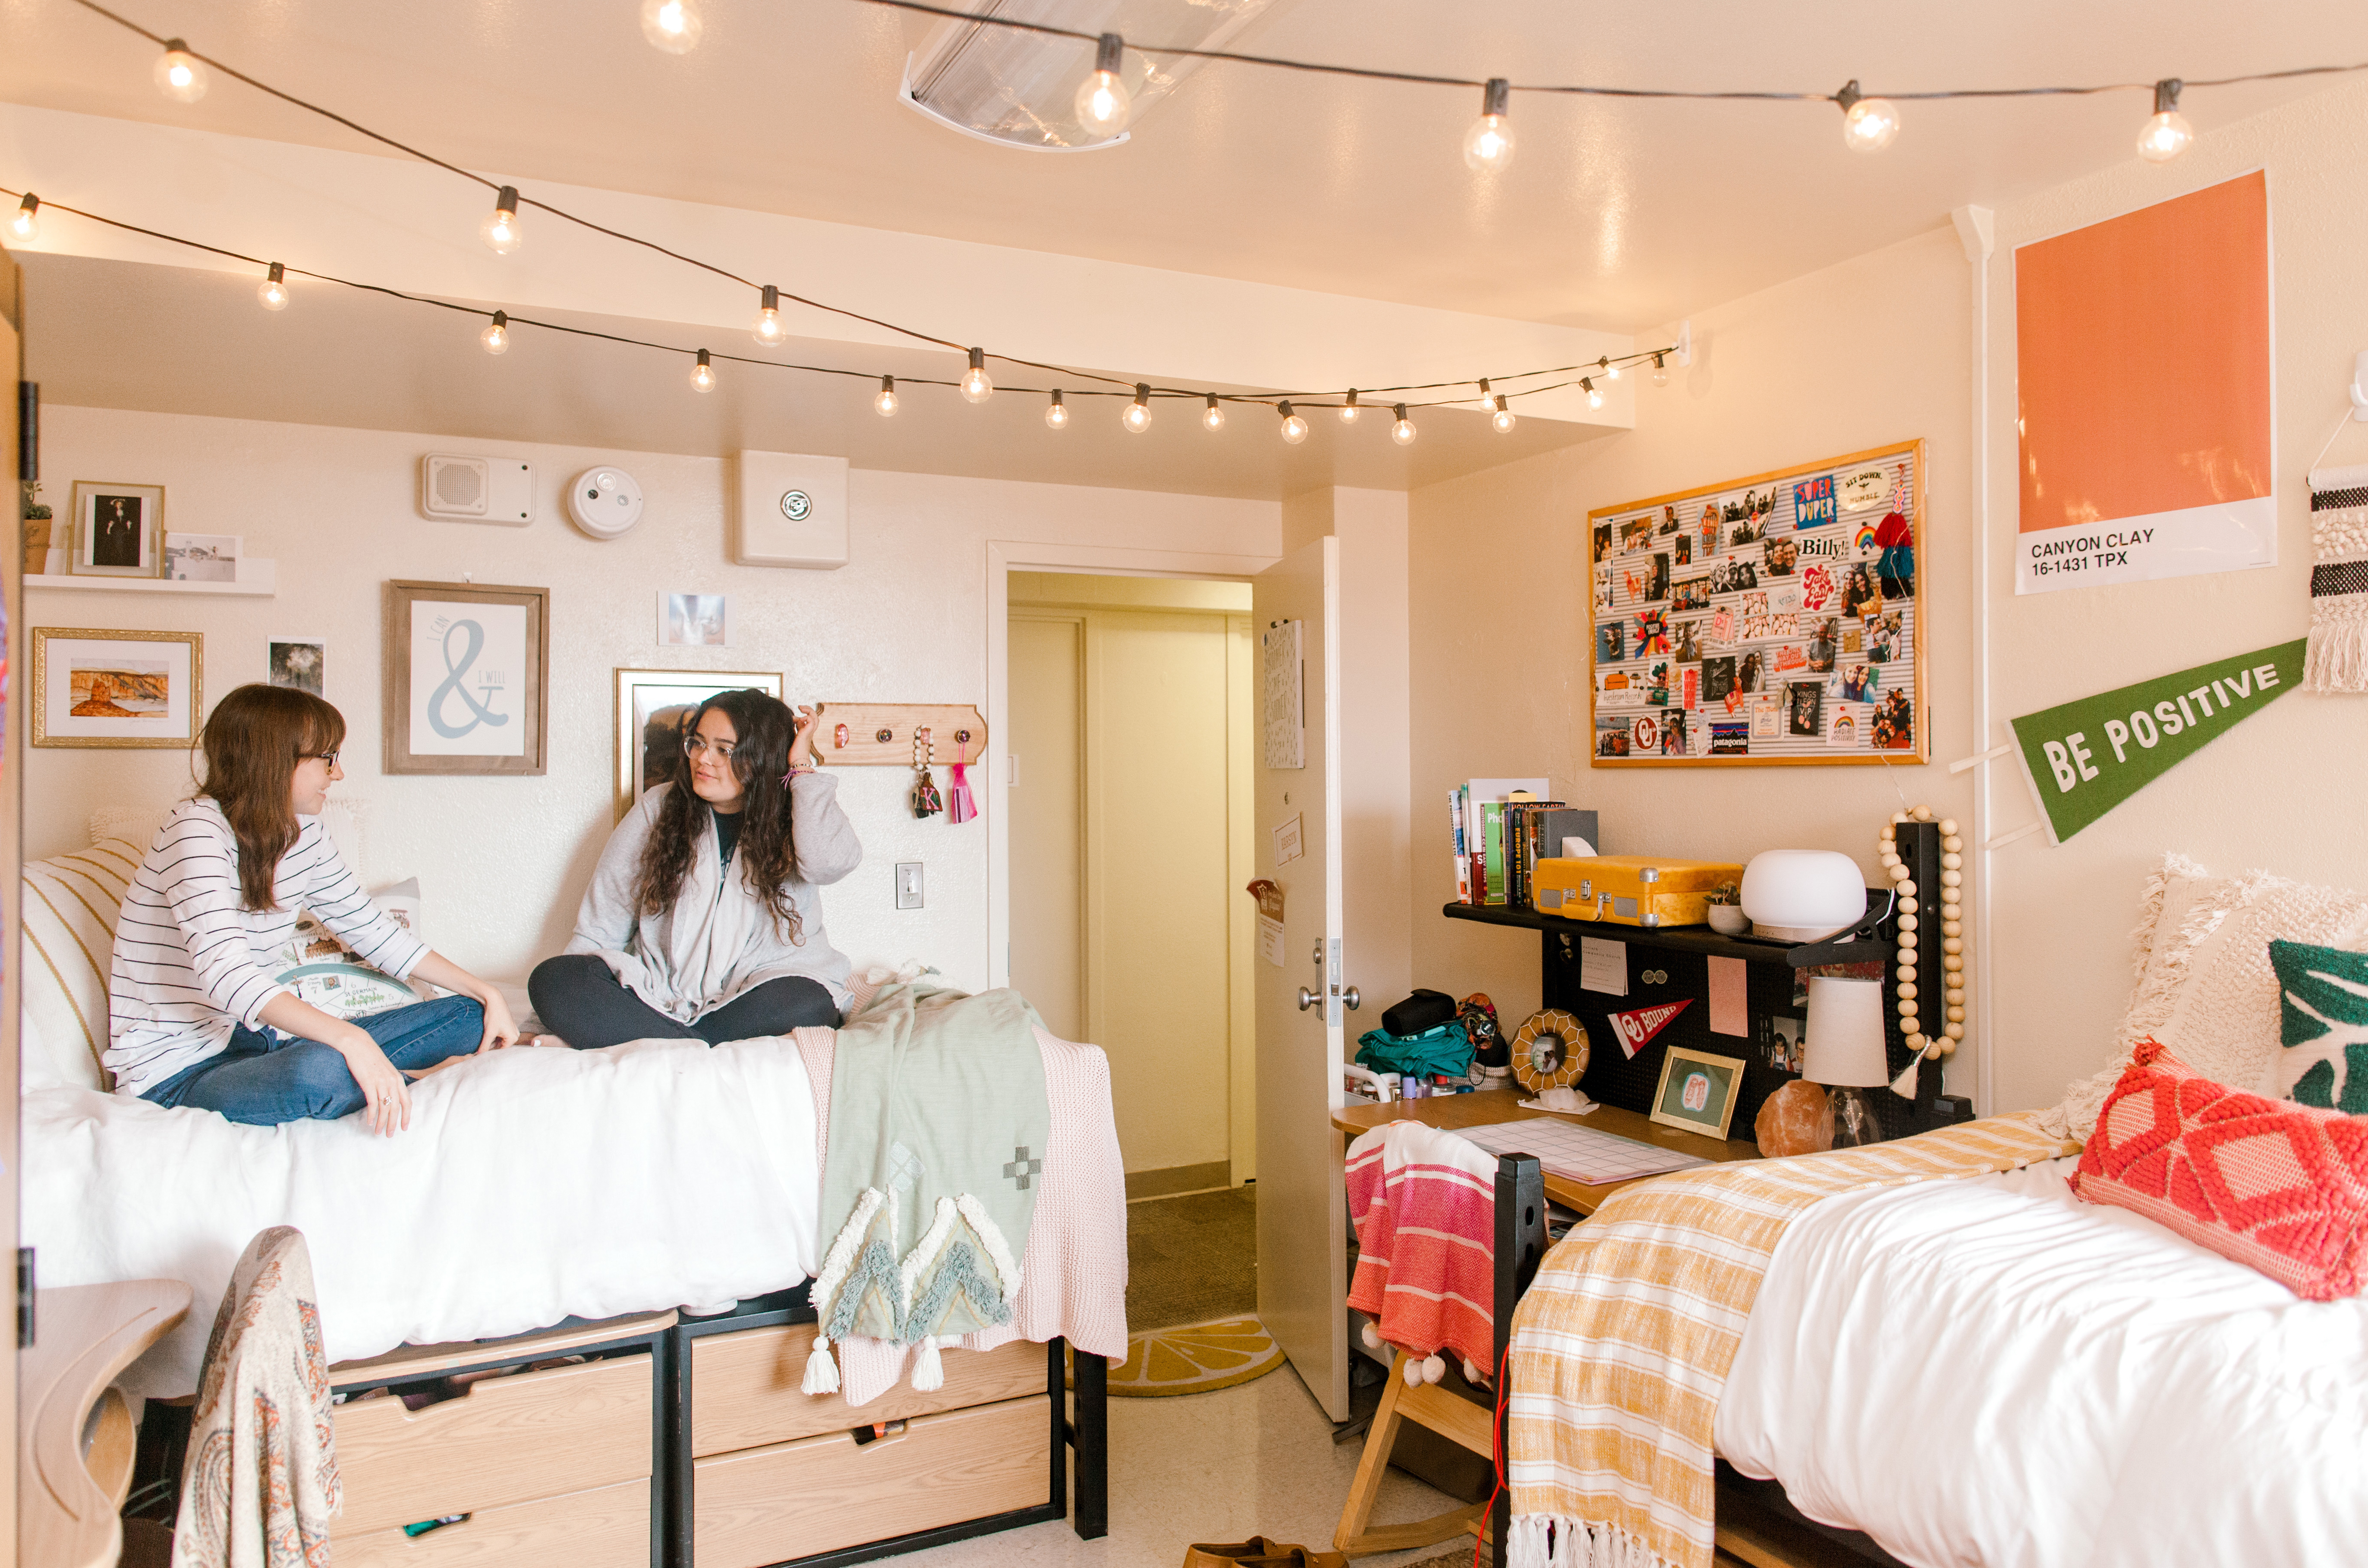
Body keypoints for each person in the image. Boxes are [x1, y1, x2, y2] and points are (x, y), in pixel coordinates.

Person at [109, 685, 517, 1134]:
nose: (338, 773)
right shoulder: (196, 829)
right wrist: (351, 1038)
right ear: (275, 759)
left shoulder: (306, 833)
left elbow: (372, 930)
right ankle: (420, 1078)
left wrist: (487, 993)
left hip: (259, 1046)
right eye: (328, 757)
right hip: (178, 1075)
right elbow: (226, 975)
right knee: (319, 1072)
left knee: (471, 1014)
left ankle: (394, 1072)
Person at [531, 688, 860, 1051]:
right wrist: (551, 1014)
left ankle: (667, 1045)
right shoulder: (657, 808)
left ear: (761, 756)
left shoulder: (795, 812)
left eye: (725, 749)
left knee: (811, 1002)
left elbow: (829, 863)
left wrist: (800, 766)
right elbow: (601, 925)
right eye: (698, 743)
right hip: (660, 996)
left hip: (757, 990)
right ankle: (696, 1047)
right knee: (553, 980)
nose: (704, 758)